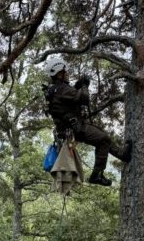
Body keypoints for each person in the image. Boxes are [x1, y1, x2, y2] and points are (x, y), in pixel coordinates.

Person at [42, 56, 131, 186]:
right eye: (65, 72)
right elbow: (83, 98)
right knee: (103, 139)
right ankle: (97, 175)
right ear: (59, 73)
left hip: (70, 129)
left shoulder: (54, 89)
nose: (67, 74)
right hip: (76, 128)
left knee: (102, 138)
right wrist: (84, 86)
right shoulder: (61, 89)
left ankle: (123, 155)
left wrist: (78, 85)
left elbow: (69, 99)